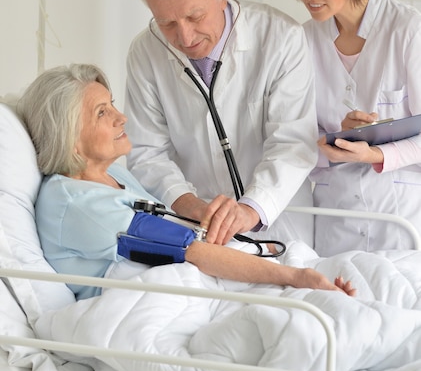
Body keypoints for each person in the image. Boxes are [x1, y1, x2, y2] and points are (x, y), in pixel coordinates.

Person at [16, 64, 355, 301]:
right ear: (69, 136)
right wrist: (297, 279)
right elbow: (190, 252)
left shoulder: (113, 175)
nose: (122, 118)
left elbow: (176, 231)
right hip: (148, 304)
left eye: (112, 105)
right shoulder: (77, 204)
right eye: (102, 112)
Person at [125, 0, 318, 249]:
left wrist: (249, 210)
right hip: (197, 230)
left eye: (194, 16)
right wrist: (192, 207)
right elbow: (147, 153)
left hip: (278, 223)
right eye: (167, 23)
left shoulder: (281, 38)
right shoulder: (145, 53)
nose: (185, 37)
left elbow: (293, 143)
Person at [286, 0, 421, 256]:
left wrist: (375, 152)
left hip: (400, 219)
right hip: (335, 217)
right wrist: (334, 143)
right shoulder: (303, 39)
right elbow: (295, 136)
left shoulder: (407, 31)